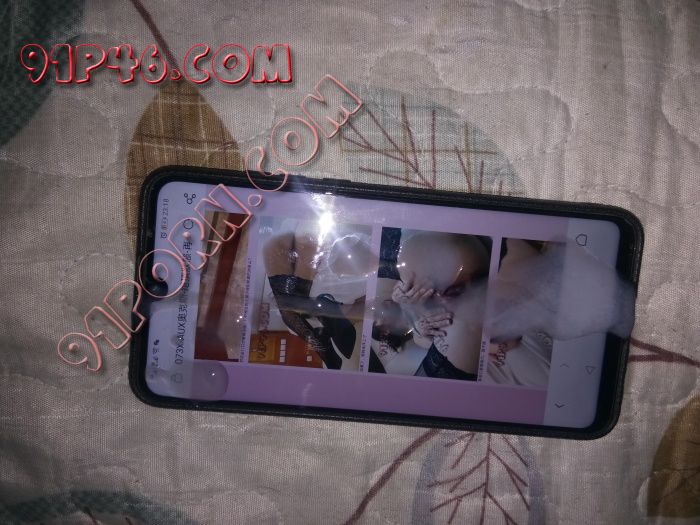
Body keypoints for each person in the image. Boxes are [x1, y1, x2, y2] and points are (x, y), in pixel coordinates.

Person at [262, 227, 371, 369]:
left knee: (287, 306)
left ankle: (323, 347)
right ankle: (323, 347)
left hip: (295, 242)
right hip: (297, 242)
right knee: (286, 306)